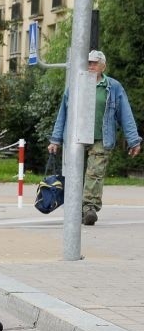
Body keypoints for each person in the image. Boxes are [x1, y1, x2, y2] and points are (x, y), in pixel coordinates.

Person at [48, 50, 141, 226]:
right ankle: (75, 207)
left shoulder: (113, 87)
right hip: (76, 137)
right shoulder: (76, 85)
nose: (90, 66)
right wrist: (55, 139)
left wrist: (133, 139)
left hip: (101, 139)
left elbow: (126, 115)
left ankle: (89, 208)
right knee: (73, 173)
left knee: (94, 174)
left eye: (94, 63)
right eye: (88, 63)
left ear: (103, 66)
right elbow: (64, 113)